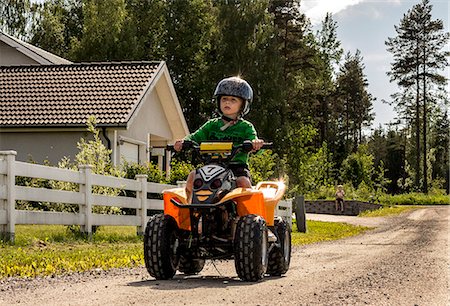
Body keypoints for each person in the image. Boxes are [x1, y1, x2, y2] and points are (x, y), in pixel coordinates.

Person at [174, 76, 264, 202]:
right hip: (211, 166)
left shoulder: (245, 127)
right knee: (192, 177)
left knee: (243, 182)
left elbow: (253, 140)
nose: (227, 103)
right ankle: (189, 212)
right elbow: (195, 137)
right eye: (224, 99)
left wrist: (256, 143)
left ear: (243, 105)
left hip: (236, 167)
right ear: (218, 102)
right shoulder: (212, 125)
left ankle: (249, 217)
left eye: (233, 100)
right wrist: (184, 142)